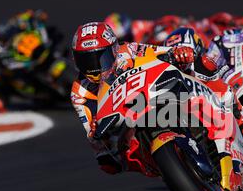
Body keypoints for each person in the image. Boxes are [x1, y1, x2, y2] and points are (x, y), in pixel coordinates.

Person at [70, 22, 200, 174]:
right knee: (109, 163)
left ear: (113, 49)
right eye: (86, 61)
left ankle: (218, 107)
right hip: (124, 122)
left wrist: (178, 53)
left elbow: (161, 52)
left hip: (151, 96)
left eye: (99, 57)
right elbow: (93, 136)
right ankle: (163, 164)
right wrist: (95, 131)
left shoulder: (128, 50)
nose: (93, 67)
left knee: (194, 72)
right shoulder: (79, 92)